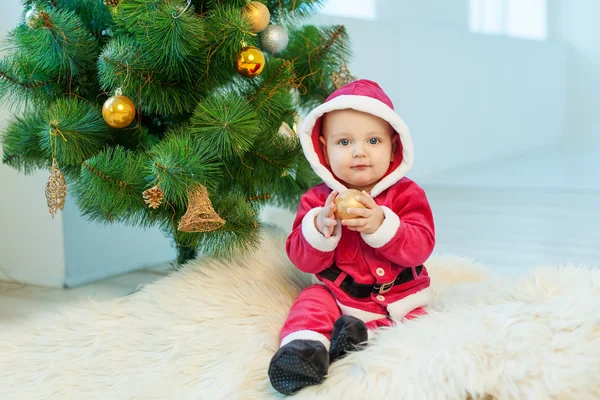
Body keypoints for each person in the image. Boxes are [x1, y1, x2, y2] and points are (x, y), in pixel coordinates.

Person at [268, 79, 435, 395]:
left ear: (394, 146)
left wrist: (380, 225)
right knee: (311, 301)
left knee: (418, 327)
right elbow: (301, 259)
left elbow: (421, 246)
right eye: (344, 143)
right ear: (324, 149)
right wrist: (320, 227)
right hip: (339, 294)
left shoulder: (408, 195)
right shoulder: (318, 201)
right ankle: (301, 351)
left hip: (399, 297)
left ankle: (358, 340)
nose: (359, 152)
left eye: (373, 141)